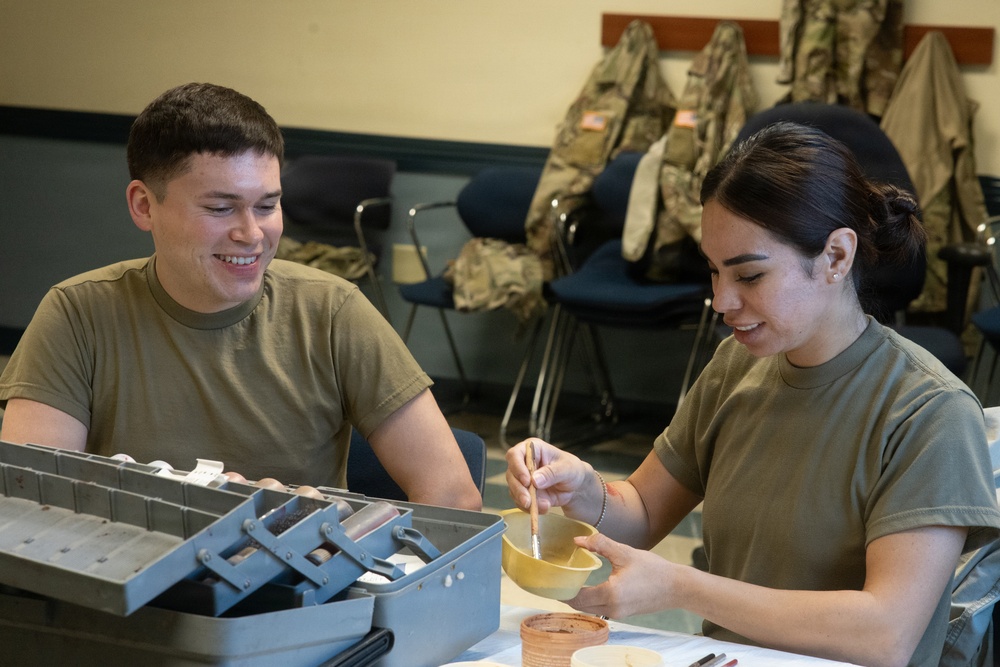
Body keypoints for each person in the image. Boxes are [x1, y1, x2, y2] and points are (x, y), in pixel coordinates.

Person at [506, 122, 1000, 666]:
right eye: (714, 272)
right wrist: (581, 488)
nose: (721, 301)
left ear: (837, 256)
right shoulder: (737, 366)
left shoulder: (930, 413)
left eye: (749, 276)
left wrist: (682, 587)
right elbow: (643, 511)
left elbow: (885, 634)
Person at [0, 82, 481, 511]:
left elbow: (454, 497)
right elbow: (27, 501)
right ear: (144, 205)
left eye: (267, 205)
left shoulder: (334, 312)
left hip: (299, 578)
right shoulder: (77, 314)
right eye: (220, 208)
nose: (251, 234)